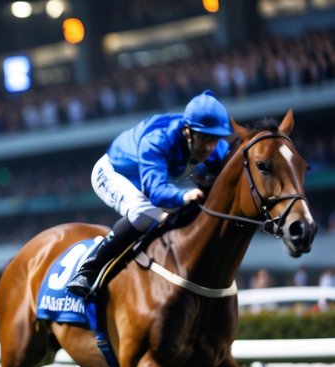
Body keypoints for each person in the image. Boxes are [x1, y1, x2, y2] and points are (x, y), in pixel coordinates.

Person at [66, 89, 233, 298]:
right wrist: (184, 196)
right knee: (145, 213)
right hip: (114, 172)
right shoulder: (158, 140)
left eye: (215, 140)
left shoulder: (213, 147)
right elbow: (156, 192)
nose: (209, 147)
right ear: (188, 131)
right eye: (204, 139)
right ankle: (88, 270)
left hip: (153, 180)